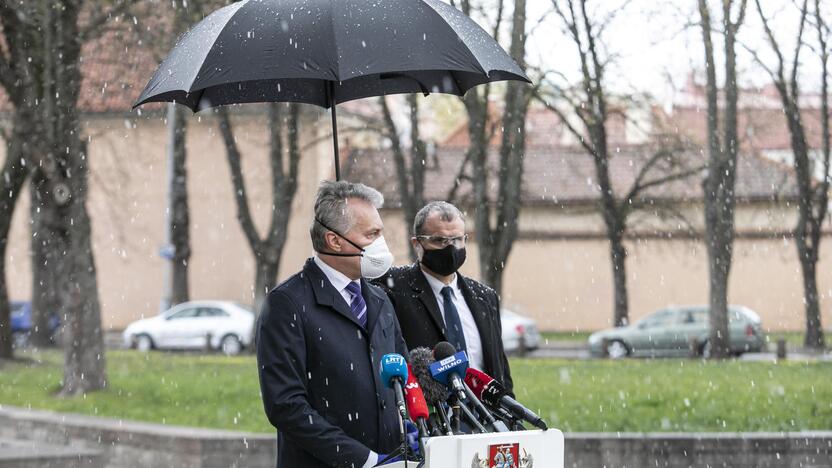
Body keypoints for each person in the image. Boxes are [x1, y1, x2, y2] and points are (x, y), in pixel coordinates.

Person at [256, 181, 410, 468]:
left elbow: (402, 372)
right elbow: (286, 405)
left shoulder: (379, 300)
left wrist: (411, 430)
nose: (381, 244)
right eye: (371, 234)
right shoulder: (288, 303)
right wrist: (362, 459)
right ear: (334, 240)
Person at [375, 201, 513, 394]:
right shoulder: (392, 289)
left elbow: (501, 371)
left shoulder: (485, 298)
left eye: (456, 240)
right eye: (439, 240)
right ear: (417, 243)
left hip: (484, 418)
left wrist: (509, 420)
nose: (450, 248)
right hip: (429, 417)